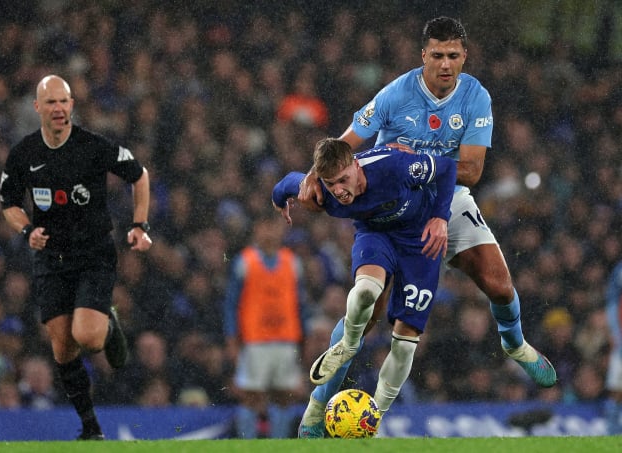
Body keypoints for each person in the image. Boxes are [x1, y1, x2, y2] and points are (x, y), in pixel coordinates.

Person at [296, 16, 556, 437]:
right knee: (368, 309)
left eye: (453, 55)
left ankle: (515, 344)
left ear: (464, 57)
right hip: (391, 205)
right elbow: (345, 145)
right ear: (423, 57)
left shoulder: (475, 97)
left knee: (499, 284)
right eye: (437, 55)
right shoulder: (397, 94)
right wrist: (313, 173)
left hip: (443, 197)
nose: (446, 64)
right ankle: (315, 408)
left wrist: (414, 160)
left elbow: (470, 170)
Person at [0, 75, 152, 440]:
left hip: (93, 253)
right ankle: (91, 429)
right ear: (37, 107)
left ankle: (108, 325)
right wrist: (26, 230)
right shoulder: (24, 154)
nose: (58, 109)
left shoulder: (92, 146)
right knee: (63, 346)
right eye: (50, 102)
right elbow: (8, 202)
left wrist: (139, 224)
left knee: (89, 338)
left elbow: (139, 175)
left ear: (72, 106)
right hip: (51, 259)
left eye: (64, 102)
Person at [273, 137, 457, 434]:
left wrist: (440, 217)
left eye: (344, 180)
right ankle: (321, 398)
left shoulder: (396, 167)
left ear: (356, 166)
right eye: (331, 183)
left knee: (405, 342)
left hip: (419, 240)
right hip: (376, 235)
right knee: (367, 291)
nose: (339, 191)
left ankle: (374, 418)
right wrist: (278, 198)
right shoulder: (321, 191)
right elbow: (286, 184)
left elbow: (447, 168)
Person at [223, 212, 310, 438]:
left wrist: (305, 338)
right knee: (252, 396)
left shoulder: (292, 262)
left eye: (274, 227)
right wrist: (232, 338)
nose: (270, 232)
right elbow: (231, 304)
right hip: (255, 341)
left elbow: (301, 305)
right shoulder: (245, 261)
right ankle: (248, 444)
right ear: (256, 230)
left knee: (284, 396)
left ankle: (278, 444)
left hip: (286, 339)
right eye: (265, 227)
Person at [605, 260, 622, 434]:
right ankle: (612, 431)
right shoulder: (619, 271)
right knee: (617, 391)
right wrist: (615, 334)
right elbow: (611, 304)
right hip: (621, 345)